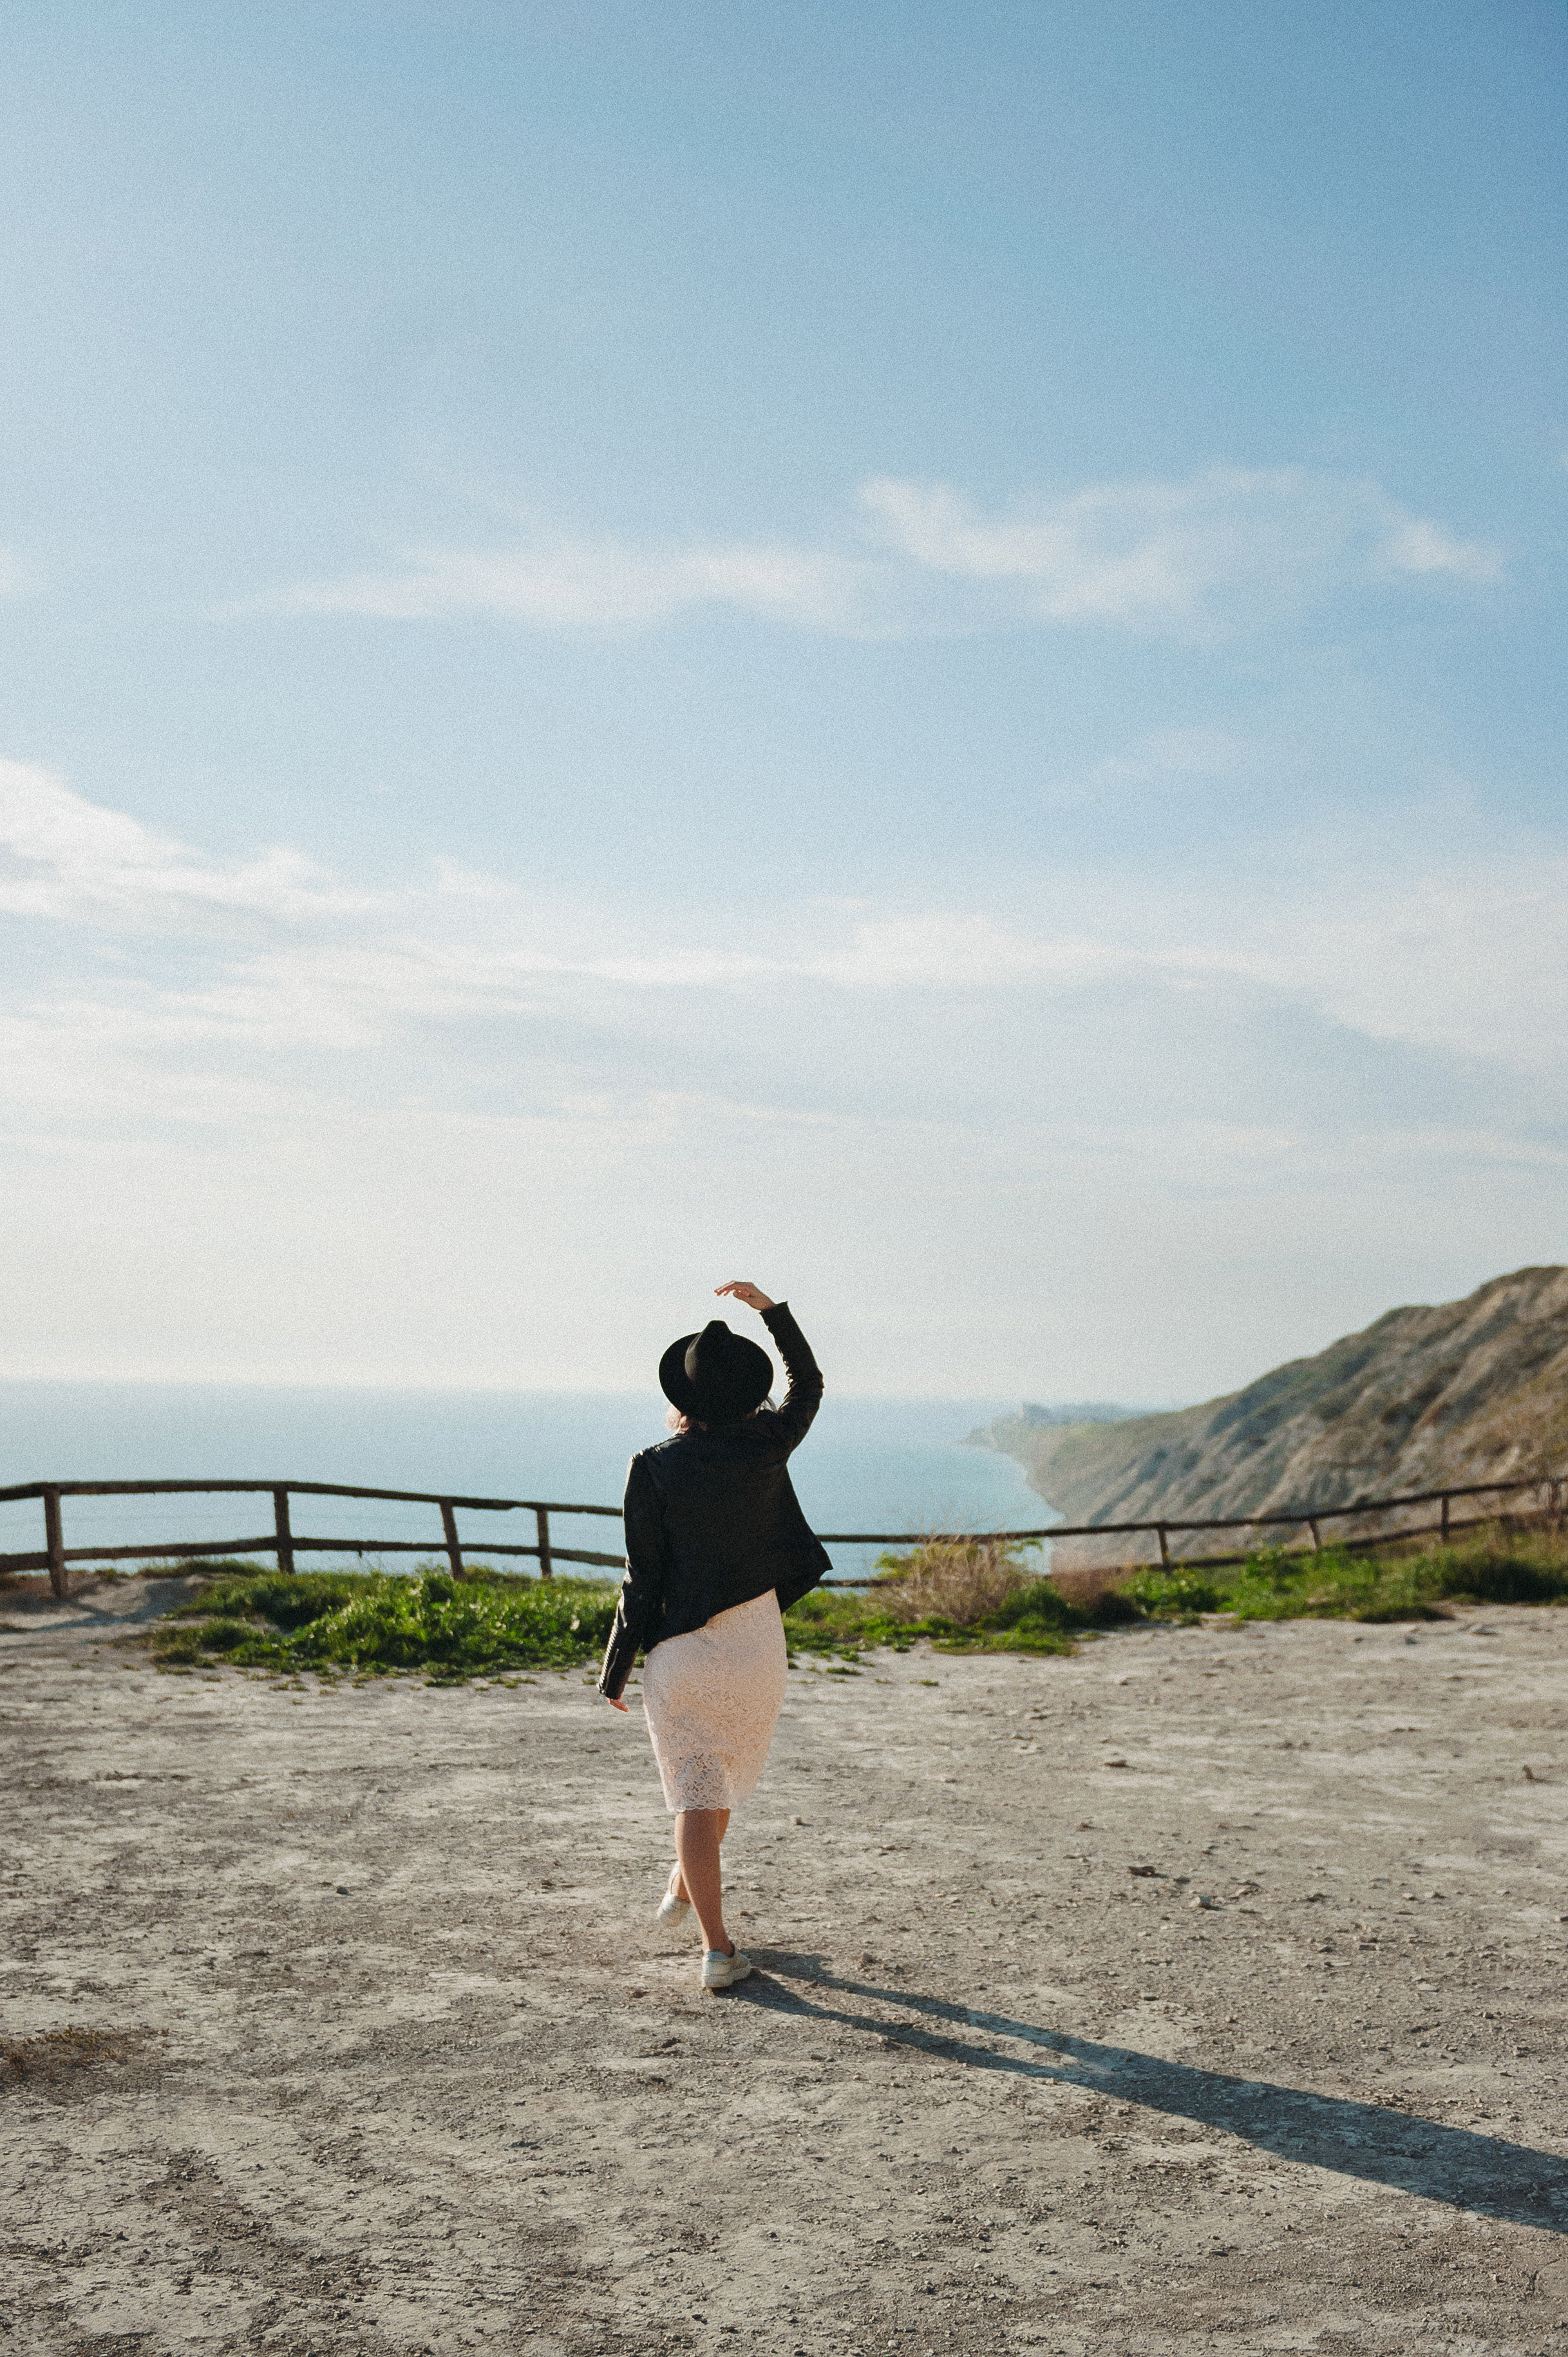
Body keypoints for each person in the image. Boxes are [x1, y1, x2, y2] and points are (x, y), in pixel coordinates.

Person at [597, 1280, 828, 1991]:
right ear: (746, 1396)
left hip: (682, 1656)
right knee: (716, 1782)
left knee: (697, 1789)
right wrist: (768, 1310)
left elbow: (642, 1580)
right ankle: (691, 1904)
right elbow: (808, 1383)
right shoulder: (768, 1444)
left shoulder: (653, 1467)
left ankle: (716, 1948)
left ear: (686, 1398)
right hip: (757, 1645)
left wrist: (614, 1670)